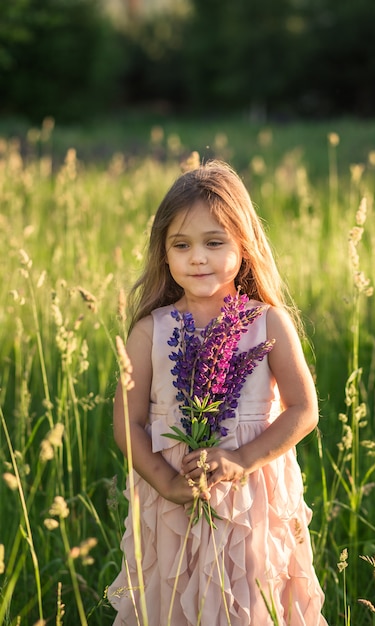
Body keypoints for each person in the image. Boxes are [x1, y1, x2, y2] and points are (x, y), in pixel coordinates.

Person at [108, 159, 327, 625]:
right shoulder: (150, 331)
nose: (198, 257)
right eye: (181, 245)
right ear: (163, 252)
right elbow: (127, 422)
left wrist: (243, 460)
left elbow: (303, 409)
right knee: (174, 599)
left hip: (251, 494)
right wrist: (166, 484)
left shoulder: (265, 322)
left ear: (244, 246)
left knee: (248, 600)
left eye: (214, 242)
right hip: (173, 498)